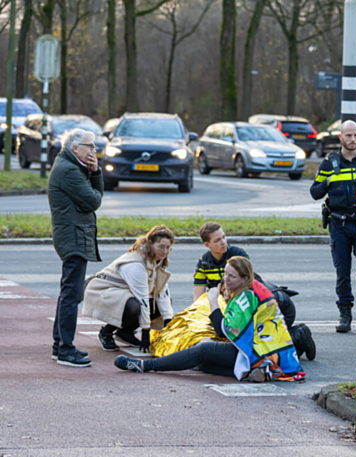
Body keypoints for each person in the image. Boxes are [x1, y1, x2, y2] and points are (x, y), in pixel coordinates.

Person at [114, 256, 304, 382]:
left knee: (203, 349)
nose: (225, 280)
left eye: (232, 276)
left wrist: (213, 300)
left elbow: (223, 330)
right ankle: (253, 373)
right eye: (225, 274)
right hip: (269, 348)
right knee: (203, 362)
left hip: (263, 352)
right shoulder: (251, 287)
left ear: (245, 277)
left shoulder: (246, 297)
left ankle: (144, 365)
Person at [192, 221, 315, 360]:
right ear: (207, 245)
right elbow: (198, 300)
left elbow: (237, 290)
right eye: (217, 240)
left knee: (257, 350)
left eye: (224, 237)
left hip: (278, 306)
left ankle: (297, 336)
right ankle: (291, 340)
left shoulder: (238, 254)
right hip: (252, 310)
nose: (223, 242)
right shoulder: (204, 262)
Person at [310, 120, 356, 334]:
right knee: (343, 273)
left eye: (355, 135)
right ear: (340, 137)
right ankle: (345, 315)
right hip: (339, 225)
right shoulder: (328, 163)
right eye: (348, 135)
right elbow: (314, 192)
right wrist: (327, 183)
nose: (352, 140)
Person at [48, 128, 103, 367]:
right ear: (75, 148)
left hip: (74, 236)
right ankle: (65, 350)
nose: (94, 151)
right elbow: (93, 201)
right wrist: (96, 172)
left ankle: (59, 344)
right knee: (72, 294)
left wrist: (92, 171)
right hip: (73, 237)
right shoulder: (69, 170)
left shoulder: (69, 166)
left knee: (68, 292)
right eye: (90, 146)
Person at [83, 225, 176, 353]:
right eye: (161, 246)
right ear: (150, 244)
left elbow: (161, 291)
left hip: (123, 291)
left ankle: (125, 333)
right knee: (134, 306)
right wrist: (145, 333)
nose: (165, 251)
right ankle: (106, 332)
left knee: (156, 305)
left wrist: (167, 323)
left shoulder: (158, 260)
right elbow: (142, 299)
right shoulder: (136, 264)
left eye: (168, 247)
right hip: (103, 290)